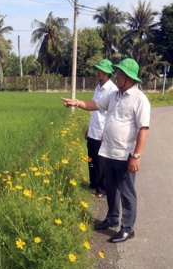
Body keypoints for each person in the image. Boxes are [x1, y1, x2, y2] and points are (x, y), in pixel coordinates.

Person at [61, 58, 151, 243]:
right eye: (117, 73)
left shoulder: (139, 99)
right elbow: (95, 105)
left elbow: (143, 128)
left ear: (129, 77)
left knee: (127, 193)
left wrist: (136, 156)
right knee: (111, 189)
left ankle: (127, 228)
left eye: (119, 74)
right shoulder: (114, 95)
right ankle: (111, 217)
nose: (116, 77)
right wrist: (76, 103)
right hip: (109, 151)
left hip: (125, 154)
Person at [86, 59, 117, 198]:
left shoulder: (112, 90)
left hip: (102, 133)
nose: (98, 73)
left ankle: (101, 189)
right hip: (93, 130)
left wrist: (106, 133)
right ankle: (93, 183)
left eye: (101, 71)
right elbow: (94, 109)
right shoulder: (98, 88)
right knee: (91, 159)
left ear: (107, 73)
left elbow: (112, 114)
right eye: (98, 70)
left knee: (101, 163)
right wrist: (88, 128)